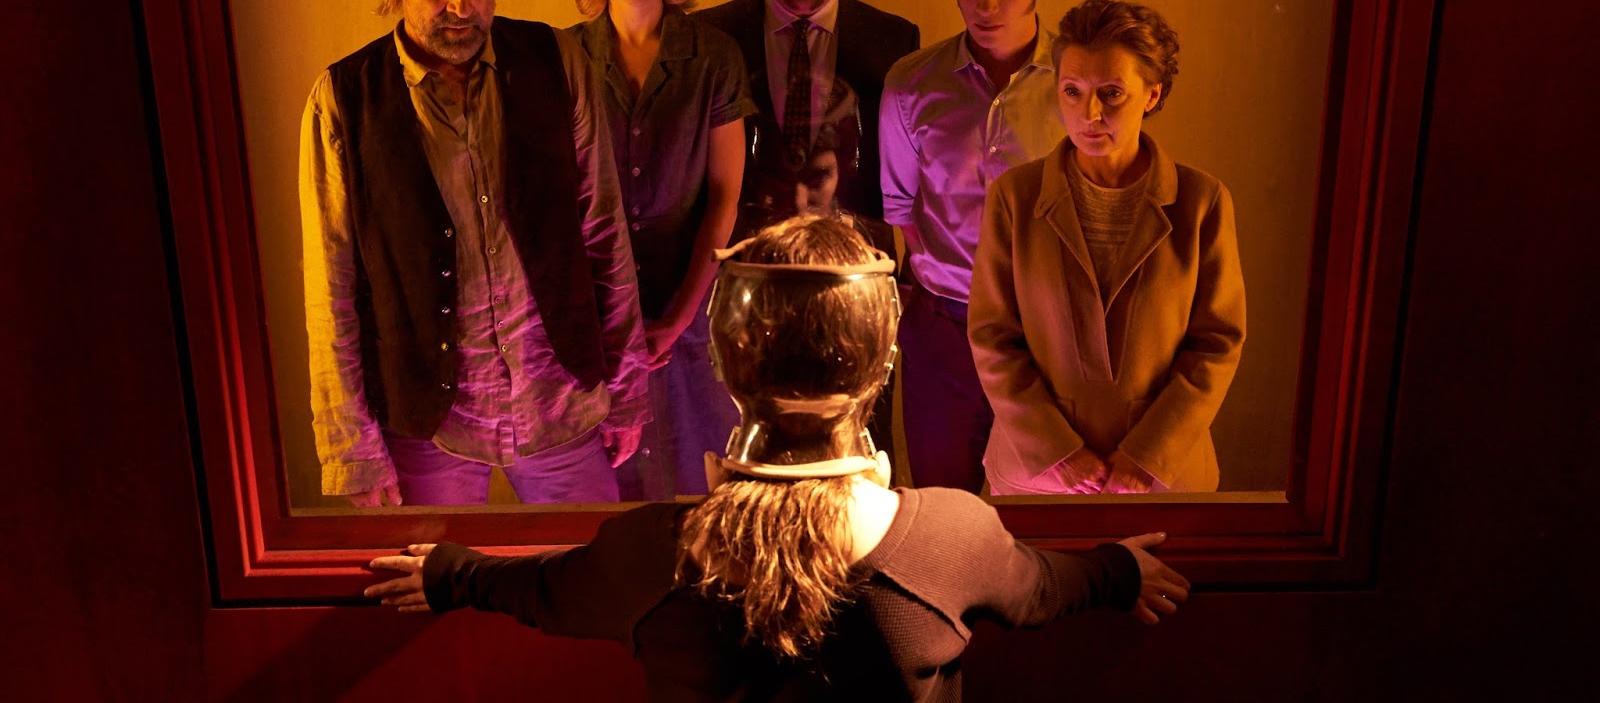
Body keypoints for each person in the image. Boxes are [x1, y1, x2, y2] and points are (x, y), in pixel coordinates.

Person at [365, 216, 1191, 703]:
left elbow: (536, 587)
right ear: (880, 362)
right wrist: (1121, 569)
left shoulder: (649, 551)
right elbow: (1045, 586)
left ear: (730, 363)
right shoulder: (954, 536)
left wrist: (449, 572)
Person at [299, 0, 651, 507]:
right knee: (433, 572)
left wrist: (626, 390)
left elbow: (604, 231)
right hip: (425, 421)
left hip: (561, 400)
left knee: (589, 563)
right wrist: (353, 450)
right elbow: (332, 290)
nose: (462, 4)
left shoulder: (557, 60)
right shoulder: (341, 102)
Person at [968, 0, 1246, 495]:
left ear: (1151, 94)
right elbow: (993, 337)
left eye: (1111, 93)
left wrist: (1146, 455)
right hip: (1039, 475)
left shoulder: (1201, 202)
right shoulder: (1016, 197)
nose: (1089, 114)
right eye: (1072, 92)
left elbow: (1216, 343)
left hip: (1163, 476)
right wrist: (1058, 451)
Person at [698, 0, 918, 469]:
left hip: (854, 292)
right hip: (745, 290)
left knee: (855, 457)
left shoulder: (895, 41)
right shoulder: (711, 37)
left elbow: (899, 176)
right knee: (744, 451)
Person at [567, 0, 755, 497]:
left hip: (692, 311)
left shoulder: (715, 57)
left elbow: (724, 196)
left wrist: (676, 319)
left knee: (700, 488)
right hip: (592, 321)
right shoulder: (561, 57)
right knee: (604, 499)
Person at [879, 0, 1066, 492]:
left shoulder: (1077, 84)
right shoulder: (910, 84)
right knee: (943, 508)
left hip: (1049, 330)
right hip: (945, 327)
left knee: (1044, 509)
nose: (985, 5)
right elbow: (903, 210)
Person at [695, 0, 920, 242]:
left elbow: (905, 176)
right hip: (740, 260)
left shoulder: (894, 42)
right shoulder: (710, 36)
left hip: (858, 260)